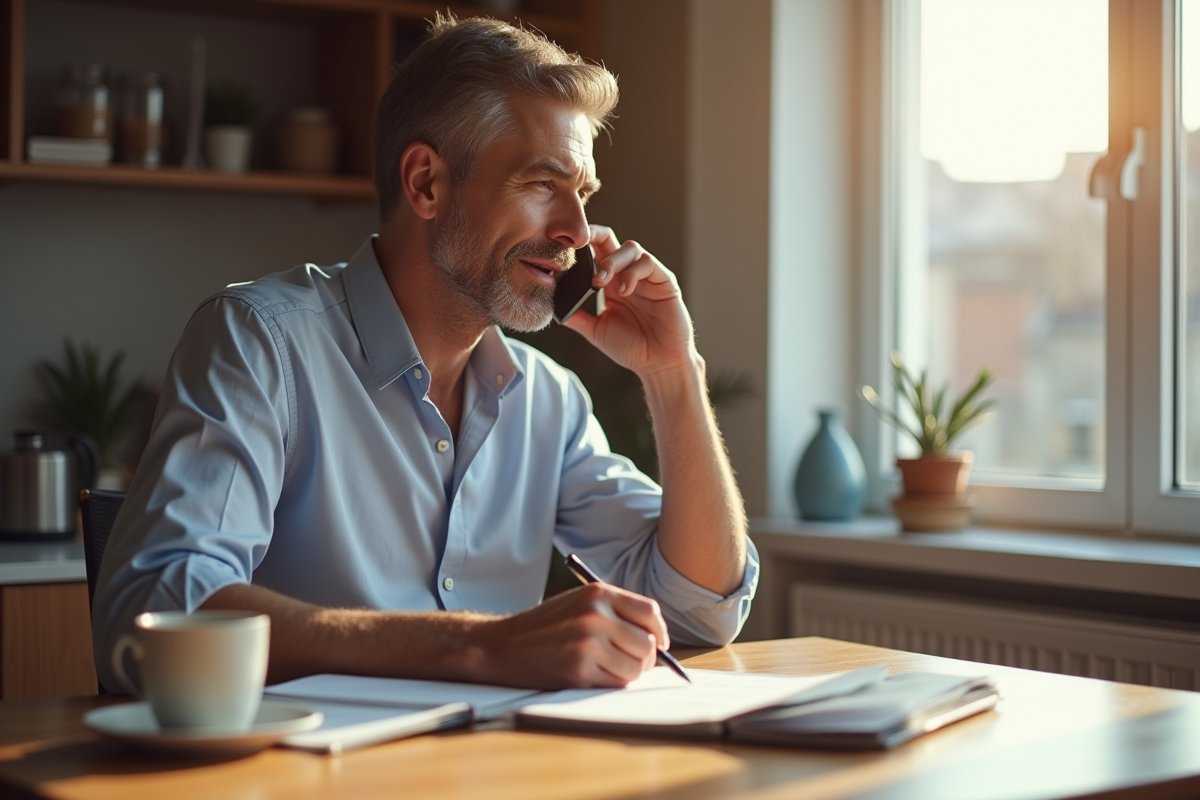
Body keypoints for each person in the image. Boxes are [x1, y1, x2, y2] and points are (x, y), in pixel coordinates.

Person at [93, 14, 759, 692]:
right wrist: (479, 647)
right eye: (541, 184)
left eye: (582, 194)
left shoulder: (547, 400)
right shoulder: (259, 343)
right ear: (426, 184)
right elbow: (156, 612)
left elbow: (699, 610)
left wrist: (674, 371)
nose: (577, 233)